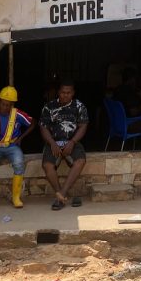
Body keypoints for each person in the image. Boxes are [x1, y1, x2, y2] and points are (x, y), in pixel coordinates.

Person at [0, 86, 36, 210]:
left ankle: (16, 197)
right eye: (4, 104)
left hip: (12, 147)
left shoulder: (17, 114)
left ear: (12, 104)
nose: (6, 107)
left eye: (9, 105)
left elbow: (33, 122)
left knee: (19, 163)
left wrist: (21, 137)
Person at [39, 79, 89, 211]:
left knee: (80, 161)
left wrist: (72, 142)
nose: (65, 95)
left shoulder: (79, 106)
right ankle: (60, 193)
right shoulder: (49, 107)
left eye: (68, 92)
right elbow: (43, 128)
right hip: (53, 142)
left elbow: (83, 126)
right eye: (62, 92)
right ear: (58, 92)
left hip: (72, 141)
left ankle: (61, 194)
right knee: (47, 165)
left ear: (73, 93)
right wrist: (52, 143)